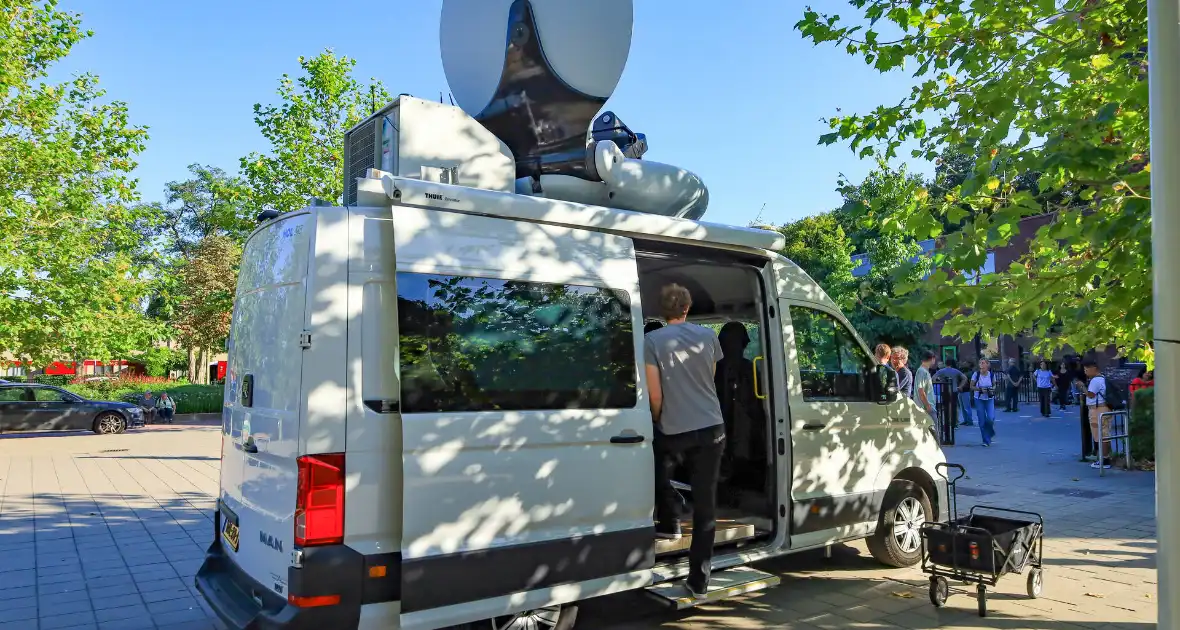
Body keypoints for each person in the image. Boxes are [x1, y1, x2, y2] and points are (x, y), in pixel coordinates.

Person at [644, 284, 726, 599]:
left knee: (656, 469)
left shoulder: (651, 340)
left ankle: (671, 517)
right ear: (687, 308)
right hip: (712, 428)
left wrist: (657, 419)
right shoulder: (709, 337)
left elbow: (655, 394)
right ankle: (699, 582)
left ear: (663, 312)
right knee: (706, 506)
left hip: (673, 429)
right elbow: (710, 377)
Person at [1082, 360, 1113, 469]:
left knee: (1100, 435)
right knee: (1105, 434)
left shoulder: (1095, 381)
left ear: (1093, 368)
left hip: (1097, 409)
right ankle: (1106, 458)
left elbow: (1090, 394)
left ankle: (1104, 460)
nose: (1085, 372)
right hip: (1104, 408)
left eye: (1086, 369)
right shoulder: (1103, 378)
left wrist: (1082, 387)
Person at [933, 360, 972, 426]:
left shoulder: (941, 371)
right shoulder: (956, 371)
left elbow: (933, 378)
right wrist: (960, 386)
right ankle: (954, 423)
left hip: (944, 391)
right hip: (954, 390)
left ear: (946, 364)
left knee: (945, 407)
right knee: (954, 407)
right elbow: (965, 378)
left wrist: (938, 382)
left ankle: (946, 422)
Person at [971, 359, 998, 446]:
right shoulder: (976, 374)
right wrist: (980, 389)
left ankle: (990, 432)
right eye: (980, 363)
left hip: (989, 398)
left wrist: (992, 389)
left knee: (991, 418)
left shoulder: (991, 374)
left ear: (987, 365)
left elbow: (994, 384)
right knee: (981, 420)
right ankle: (986, 440)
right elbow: (971, 386)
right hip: (979, 399)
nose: (981, 364)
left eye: (983, 363)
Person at [914, 351, 937, 417]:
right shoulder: (922, 371)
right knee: (933, 426)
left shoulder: (924, 371)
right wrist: (928, 406)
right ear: (932, 359)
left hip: (926, 408)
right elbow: (921, 390)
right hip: (925, 408)